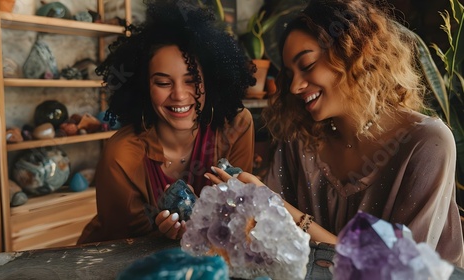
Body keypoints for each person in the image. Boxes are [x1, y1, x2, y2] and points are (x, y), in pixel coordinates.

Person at [207, 0, 464, 267]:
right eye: (288, 74)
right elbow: (271, 245)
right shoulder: (301, 139)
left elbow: (395, 271)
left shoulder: (426, 143)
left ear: (354, 53)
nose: (294, 86)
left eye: (306, 65)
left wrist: (276, 208)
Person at [77, 0, 256, 244]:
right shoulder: (121, 156)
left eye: (192, 80)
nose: (180, 95)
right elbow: (120, 246)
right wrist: (162, 236)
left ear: (211, 80)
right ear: (144, 88)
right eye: (163, 83)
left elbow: (238, 212)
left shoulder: (235, 126)